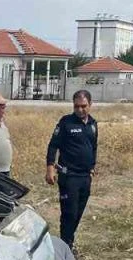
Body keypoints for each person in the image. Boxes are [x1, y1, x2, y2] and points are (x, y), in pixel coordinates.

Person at [46, 90, 98, 247]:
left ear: (90, 104)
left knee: (78, 213)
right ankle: (65, 246)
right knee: (69, 213)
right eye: (76, 106)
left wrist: (92, 166)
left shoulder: (93, 124)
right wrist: (50, 168)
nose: (80, 110)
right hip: (69, 177)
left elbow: (93, 146)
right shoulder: (66, 122)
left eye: (83, 106)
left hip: (85, 177)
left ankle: (69, 242)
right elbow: (53, 145)